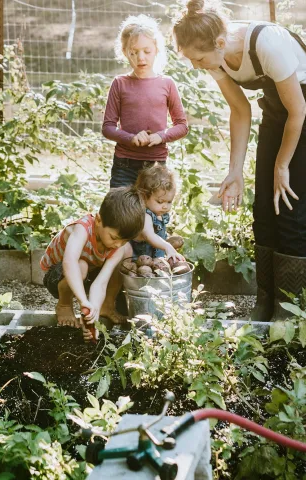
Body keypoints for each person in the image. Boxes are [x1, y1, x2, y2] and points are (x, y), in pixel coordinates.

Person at [173, 0, 306, 320]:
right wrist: (234, 171)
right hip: (279, 114)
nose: (196, 65)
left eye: (199, 58)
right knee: (263, 211)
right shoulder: (216, 57)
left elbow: (299, 110)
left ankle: (289, 313)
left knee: (288, 210)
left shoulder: (268, 42)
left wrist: (282, 165)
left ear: (219, 44)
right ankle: (266, 304)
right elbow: (240, 110)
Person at [40, 187, 145, 340]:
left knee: (126, 251)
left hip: (88, 274)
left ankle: (105, 306)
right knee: (81, 265)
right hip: (57, 277)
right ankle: (64, 304)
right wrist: (83, 300)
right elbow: (70, 263)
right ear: (98, 220)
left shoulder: (118, 245)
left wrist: (91, 314)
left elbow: (100, 283)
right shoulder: (82, 229)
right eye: (114, 237)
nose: (117, 244)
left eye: (124, 240)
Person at [102, 14, 189, 189]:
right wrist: (131, 138)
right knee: (121, 215)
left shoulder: (167, 84)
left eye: (146, 51)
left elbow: (182, 126)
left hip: (156, 166)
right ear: (125, 52)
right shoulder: (119, 83)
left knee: (153, 216)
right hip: (124, 165)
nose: (141, 58)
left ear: (156, 49)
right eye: (133, 52)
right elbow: (108, 127)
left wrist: (161, 136)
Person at [132, 163, 185, 262]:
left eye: (169, 202)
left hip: (156, 260)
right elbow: (149, 235)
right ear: (144, 197)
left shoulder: (159, 213)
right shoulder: (145, 215)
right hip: (141, 261)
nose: (165, 206)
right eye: (160, 201)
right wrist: (167, 247)